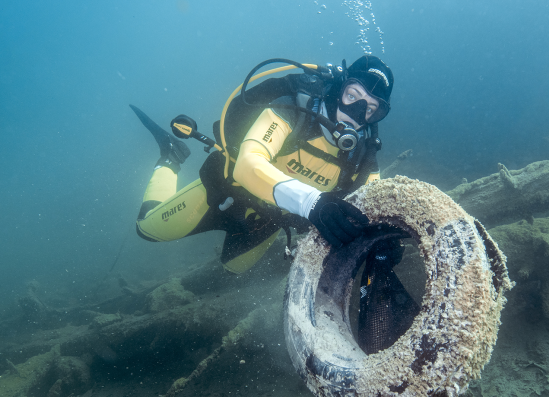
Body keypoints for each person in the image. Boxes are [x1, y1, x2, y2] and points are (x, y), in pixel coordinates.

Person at [133, 55, 394, 274]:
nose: (358, 112)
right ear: (339, 89)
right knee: (147, 229)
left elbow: (372, 209)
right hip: (222, 193)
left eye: (371, 109)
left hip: (268, 223)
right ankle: (170, 156)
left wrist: (382, 243)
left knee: (233, 270)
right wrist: (311, 203)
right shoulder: (293, 112)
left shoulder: (362, 157)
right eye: (353, 95)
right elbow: (248, 164)